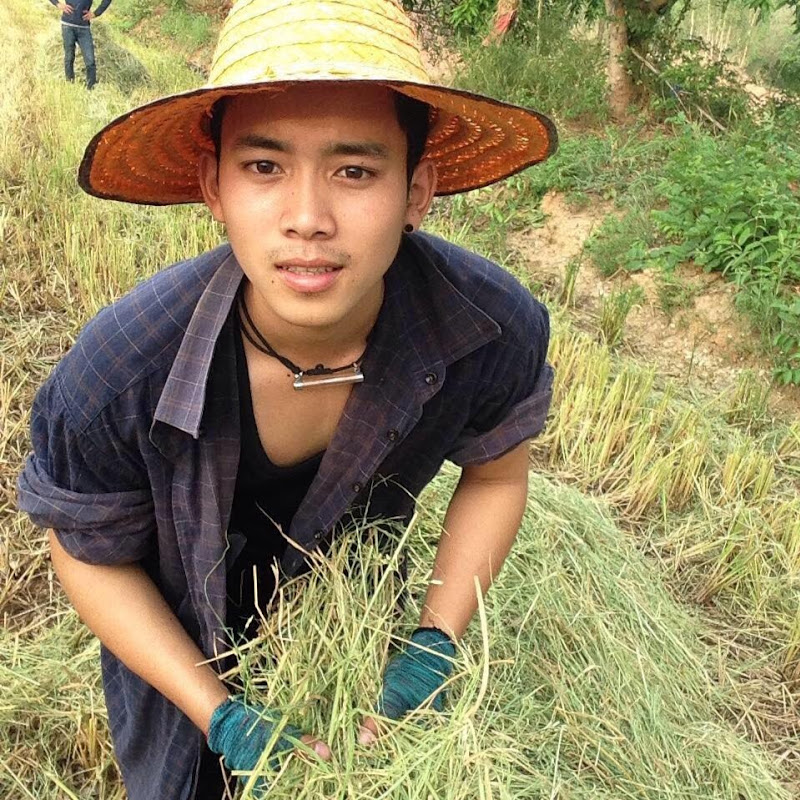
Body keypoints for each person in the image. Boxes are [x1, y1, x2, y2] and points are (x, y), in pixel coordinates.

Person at [18, 0, 557, 797]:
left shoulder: (487, 330)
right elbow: (88, 556)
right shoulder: (118, 375)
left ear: (418, 190)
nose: (308, 220)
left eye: (355, 170)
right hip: (176, 653)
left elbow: (497, 475)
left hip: (355, 647)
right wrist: (219, 713)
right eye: (264, 167)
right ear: (214, 187)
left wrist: (435, 640)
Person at [50, 0, 111, 89]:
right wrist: (58, 4)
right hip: (67, 25)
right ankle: (69, 84)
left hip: (84, 28)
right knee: (69, 57)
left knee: (90, 61)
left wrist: (96, 13)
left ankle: (91, 88)